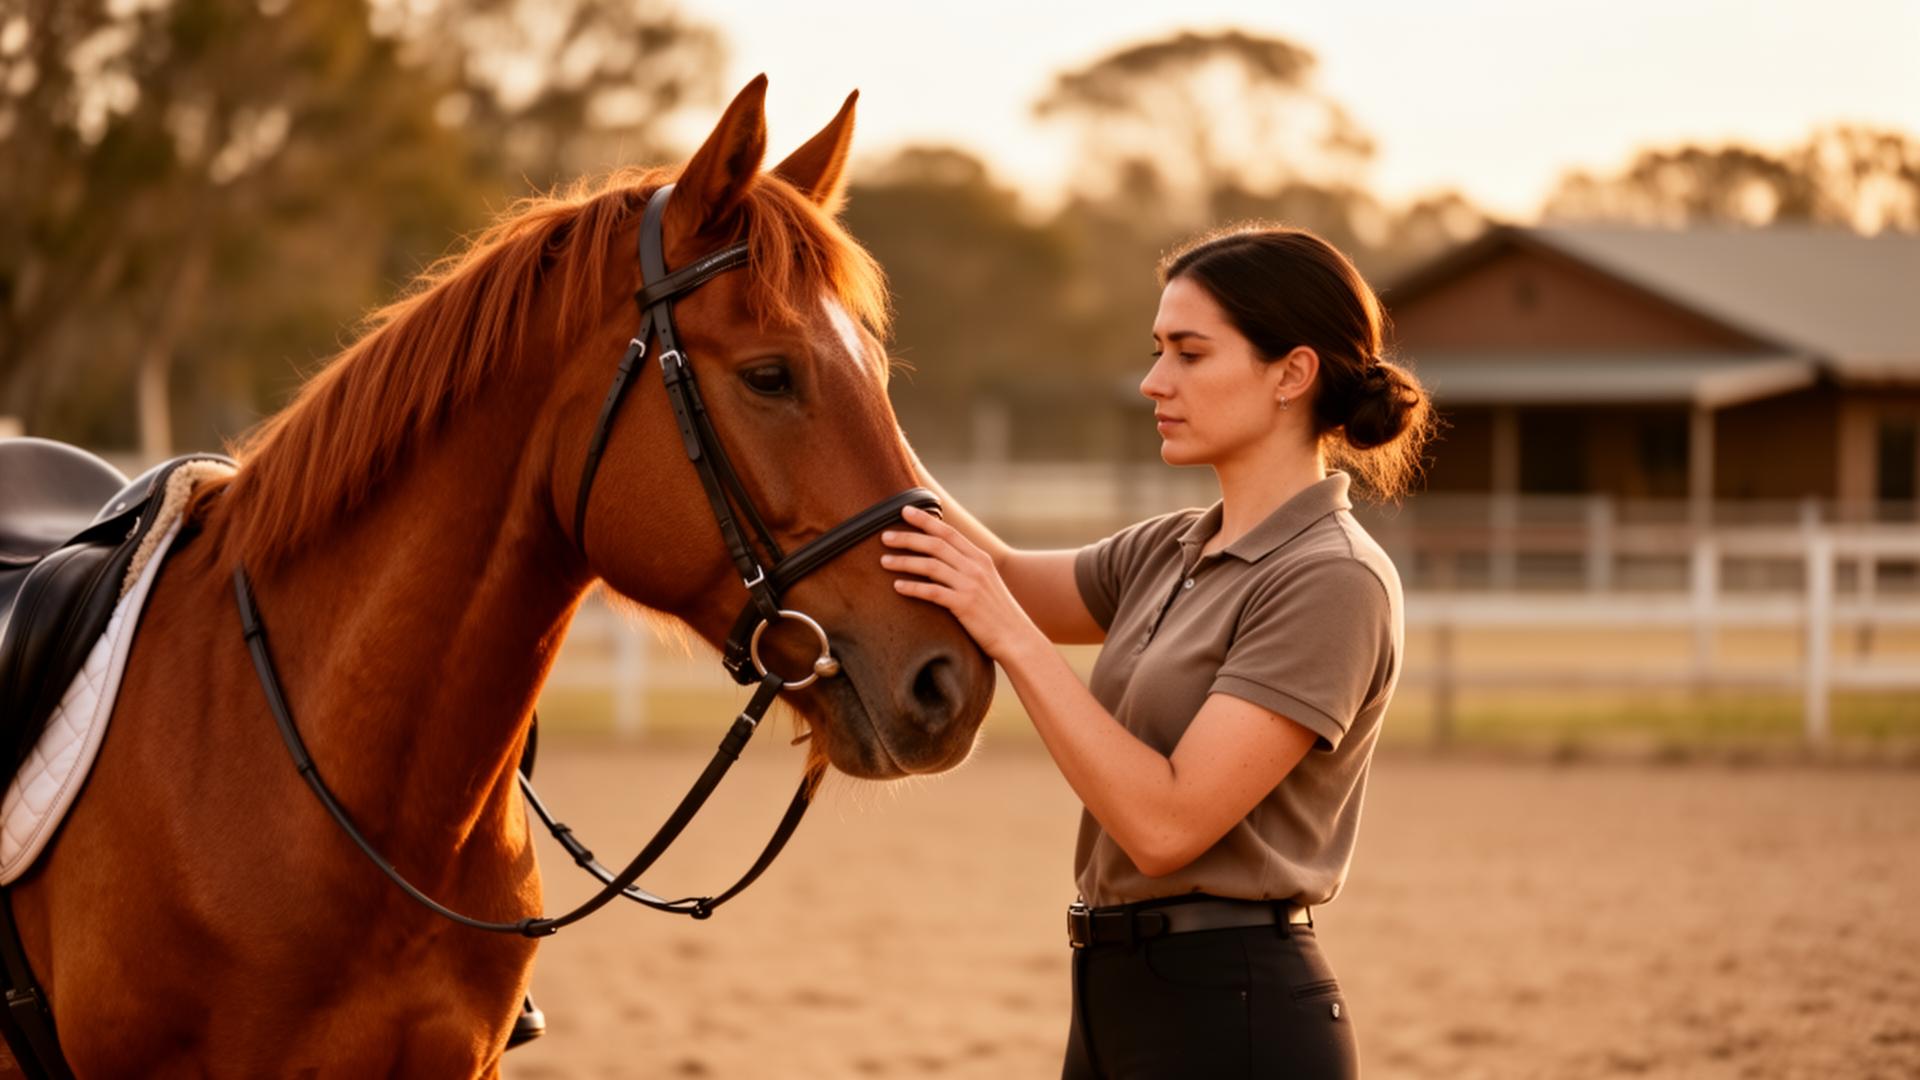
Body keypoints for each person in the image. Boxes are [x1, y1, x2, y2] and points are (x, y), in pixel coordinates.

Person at [880, 224, 1432, 1078]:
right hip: (1109, 997)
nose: (1153, 381)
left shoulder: (1334, 579)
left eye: (1189, 353)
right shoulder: (1172, 547)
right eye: (1156, 350)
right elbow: (998, 576)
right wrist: (859, 410)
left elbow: (1165, 826)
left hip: (1233, 1012)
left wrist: (1012, 640)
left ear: (1292, 373)